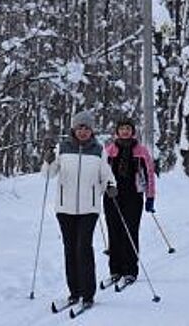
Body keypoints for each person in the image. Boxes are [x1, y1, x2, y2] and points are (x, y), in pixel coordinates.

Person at [42, 110, 117, 308]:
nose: (83, 131)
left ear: (91, 131)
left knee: (83, 248)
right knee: (69, 249)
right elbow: (48, 174)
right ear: (73, 129)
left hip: (89, 208)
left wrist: (110, 186)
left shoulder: (98, 150)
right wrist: (48, 159)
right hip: (64, 208)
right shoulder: (62, 148)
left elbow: (106, 174)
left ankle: (88, 293)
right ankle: (74, 292)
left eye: (87, 128)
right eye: (79, 128)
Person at [102, 117, 156, 285]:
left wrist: (150, 197)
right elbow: (101, 174)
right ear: (117, 132)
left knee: (130, 231)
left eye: (128, 128)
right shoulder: (109, 151)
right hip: (112, 196)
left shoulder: (141, 151)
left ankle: (130, 269)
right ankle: (115, 269)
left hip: (133, 195)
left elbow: (150, 175)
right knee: (114, 231)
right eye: (122, 128)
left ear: (133, 131)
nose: (125, 131)